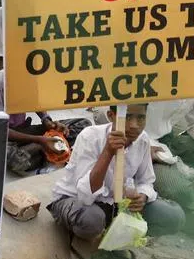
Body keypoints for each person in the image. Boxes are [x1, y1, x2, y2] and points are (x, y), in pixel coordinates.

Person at [48, 103, 185, 242]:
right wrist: (108, 151)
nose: (134, 125)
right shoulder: (90, 137)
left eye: (141, 118)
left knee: (174, 216)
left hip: (116, 203)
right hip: (80, 200)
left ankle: (118, 239)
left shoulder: (142, 139)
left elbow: (146, 181)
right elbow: (85, 196)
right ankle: (96, 237)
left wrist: (142, 196)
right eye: (127, 117)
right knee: (91, 220)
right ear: (111, 116)